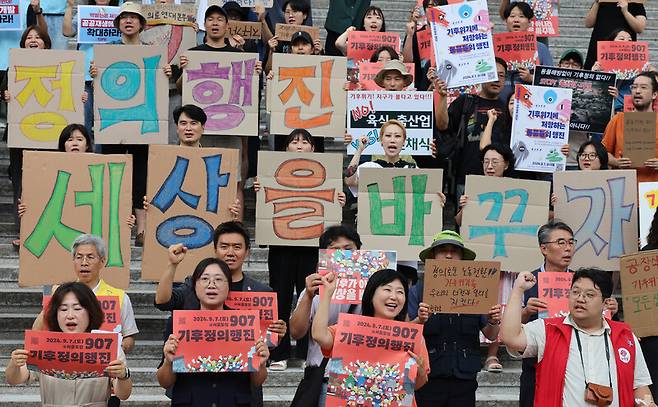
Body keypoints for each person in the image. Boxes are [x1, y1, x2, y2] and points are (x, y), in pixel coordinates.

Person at [252, 129, 346, 371]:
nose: (300, 146)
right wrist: (260, 192)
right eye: (294, 142)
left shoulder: (327, 177)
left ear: (314, 149)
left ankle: (305, 352)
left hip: (311, 247)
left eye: (305, 142)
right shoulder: (272, 175)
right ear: (285, 149)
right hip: (281, 246)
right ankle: (279, 351)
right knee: (280, 297)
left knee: (309, 296)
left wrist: (339, 202)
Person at [503, 268, 655, 407]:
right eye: (575, 292)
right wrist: (518, 290)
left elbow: (640, 386)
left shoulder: (626, 337)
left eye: (589, 295)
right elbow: (511, 337)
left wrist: (648, 404)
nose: (580, 299)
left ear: (605, 303)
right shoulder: (547, 330)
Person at [89, 1, 172, 245]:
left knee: (141, 175)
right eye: (124, 17)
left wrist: (165, 73)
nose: (128, 21)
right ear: (118, 24)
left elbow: (157, 91)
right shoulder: (106, 52)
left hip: (142, 123)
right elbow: (99, 89)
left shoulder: (153, 53)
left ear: (142, 24)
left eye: (133, 17)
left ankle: (142, 229)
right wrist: (95, 74)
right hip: (113, 123)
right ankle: (113, 225)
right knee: (112, 172)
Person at [516, 220, 619, 406]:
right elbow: (512, 334)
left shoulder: (584, 282)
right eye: (561, 243)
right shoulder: (528, 282)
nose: (568, 248)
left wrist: (610, 310)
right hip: (538, 368)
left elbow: (602, 325)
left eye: (571, 242)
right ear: (544, 249)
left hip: (577, 370)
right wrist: (525, 311)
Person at [177, 4, 264, 220]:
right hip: (200, 131)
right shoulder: (192, 54)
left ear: (227, 25)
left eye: (219, 19)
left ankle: (237, 227)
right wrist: (184, 71)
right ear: (203, 25)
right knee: (198, 179)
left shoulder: (238, 55)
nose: (215, 23)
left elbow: (249, 93)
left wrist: (255, 73)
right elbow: (181, 88)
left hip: (230, 129)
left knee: (233, 181)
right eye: (211, 19)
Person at [156, 257, 270, 405]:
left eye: (218, 279)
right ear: (195, 285)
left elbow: (257, 381)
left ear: (229, 286)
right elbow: (164, 382)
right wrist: (168, 362)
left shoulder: (245, 324)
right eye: (204, 279)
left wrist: (260, 364)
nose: (211, 285)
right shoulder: (179, 323)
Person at [408, 230, 502, 407]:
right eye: (443, 250)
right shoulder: (417, 290)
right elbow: (407, 332)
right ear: (433, 256)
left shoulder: (477, 289)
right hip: (429, 376)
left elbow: (490, 334)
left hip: (465, 377)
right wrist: (420, 320)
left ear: (462, 258)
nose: (449, 255)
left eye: (455, 251)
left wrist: (494, 320)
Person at [313, 268, 430, 406]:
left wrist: (421, 372)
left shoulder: (411, 337)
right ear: (371, 294)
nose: (394, 296)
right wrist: (327, 293)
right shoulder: (350, 329)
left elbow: (415, 386)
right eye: (387, 289)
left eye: (400, 292)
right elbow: (319, 335)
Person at [6, 282, 133, 404]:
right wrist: (14, 364)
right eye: (63, 309)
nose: (70, 315)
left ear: (90, 312)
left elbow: (123, 394)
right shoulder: (44, 345)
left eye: (77, 308)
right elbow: (15, 379)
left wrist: (123, 375)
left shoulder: (108, 346)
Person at [288, 225, 363, 406]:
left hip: (361, 377)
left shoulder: (373, 290)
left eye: (348, 249)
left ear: (360, 252)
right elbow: (296, 332)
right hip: (323, 376)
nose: (342, 255)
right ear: (324, 255)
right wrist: (307, 295)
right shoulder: (315, 290)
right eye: (335, 250)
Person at [32, 234, 139, 354]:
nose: (84, 262)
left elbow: (129, 337)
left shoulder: (119, 297)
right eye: (79, 257)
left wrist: (119, 348)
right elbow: (36, 333)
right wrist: (51, 301)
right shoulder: (61, 294)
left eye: (90, 257)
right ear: (73, 260)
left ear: (102, 261)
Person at [433, 57, 509, 200]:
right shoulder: (466, 102)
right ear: (481, 75)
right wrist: (442, 97)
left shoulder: (509, 108)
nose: (497, 79)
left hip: (500, 182)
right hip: (466, 179)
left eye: (501, 75)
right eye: (492, 73)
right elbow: (442, 126)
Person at [62, 0, 119, 135]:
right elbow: (67, 31)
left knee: (104, 123)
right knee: (84, 121)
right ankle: (86, 154)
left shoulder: (120, 14)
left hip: (111, 77)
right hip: (86, 77)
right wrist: (70, 7)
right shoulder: (83, 13)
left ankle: (100, 155)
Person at [602, 72, 658, 182]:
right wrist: (616, 162)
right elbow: (602, 153)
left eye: (643, 87)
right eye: (634, 87)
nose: (637, 91)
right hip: (623, 187)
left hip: (652, 190)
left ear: (654, 95)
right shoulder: (618, 120)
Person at [499, 1, 553, 102]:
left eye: (521, 16)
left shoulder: (541, 49)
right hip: (499, 102)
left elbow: (551, 80)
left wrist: (531, 78)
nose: (516, 20)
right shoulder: (495, 47)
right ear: (506, 20)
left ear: (529, 21)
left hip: (530, 101)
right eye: (512, 16)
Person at [584, 0, 646, 70]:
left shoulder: (636, 3)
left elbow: (640, 28)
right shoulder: (601, 2)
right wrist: (596, 3)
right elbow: (588, 24)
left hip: (623, 51)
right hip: (600, 48)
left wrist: (625, 12)